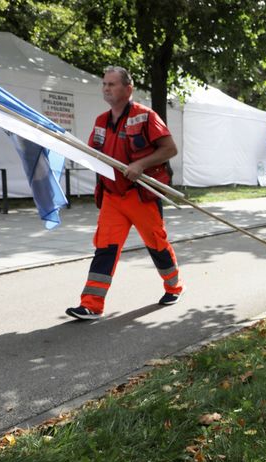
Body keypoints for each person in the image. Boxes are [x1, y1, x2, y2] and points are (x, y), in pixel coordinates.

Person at [66, 66, 183, 321]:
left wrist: (141, 165)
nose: (106, 88)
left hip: (140, 195)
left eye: (112, 84)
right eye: (104, 84)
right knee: (105, 248)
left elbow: (170, 149)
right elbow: (93, 153)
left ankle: (173, 287)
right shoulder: (100, 121)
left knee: (156, 244)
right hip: (112, 196)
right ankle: (91, 305)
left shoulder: (146, 116)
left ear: (128, 89)